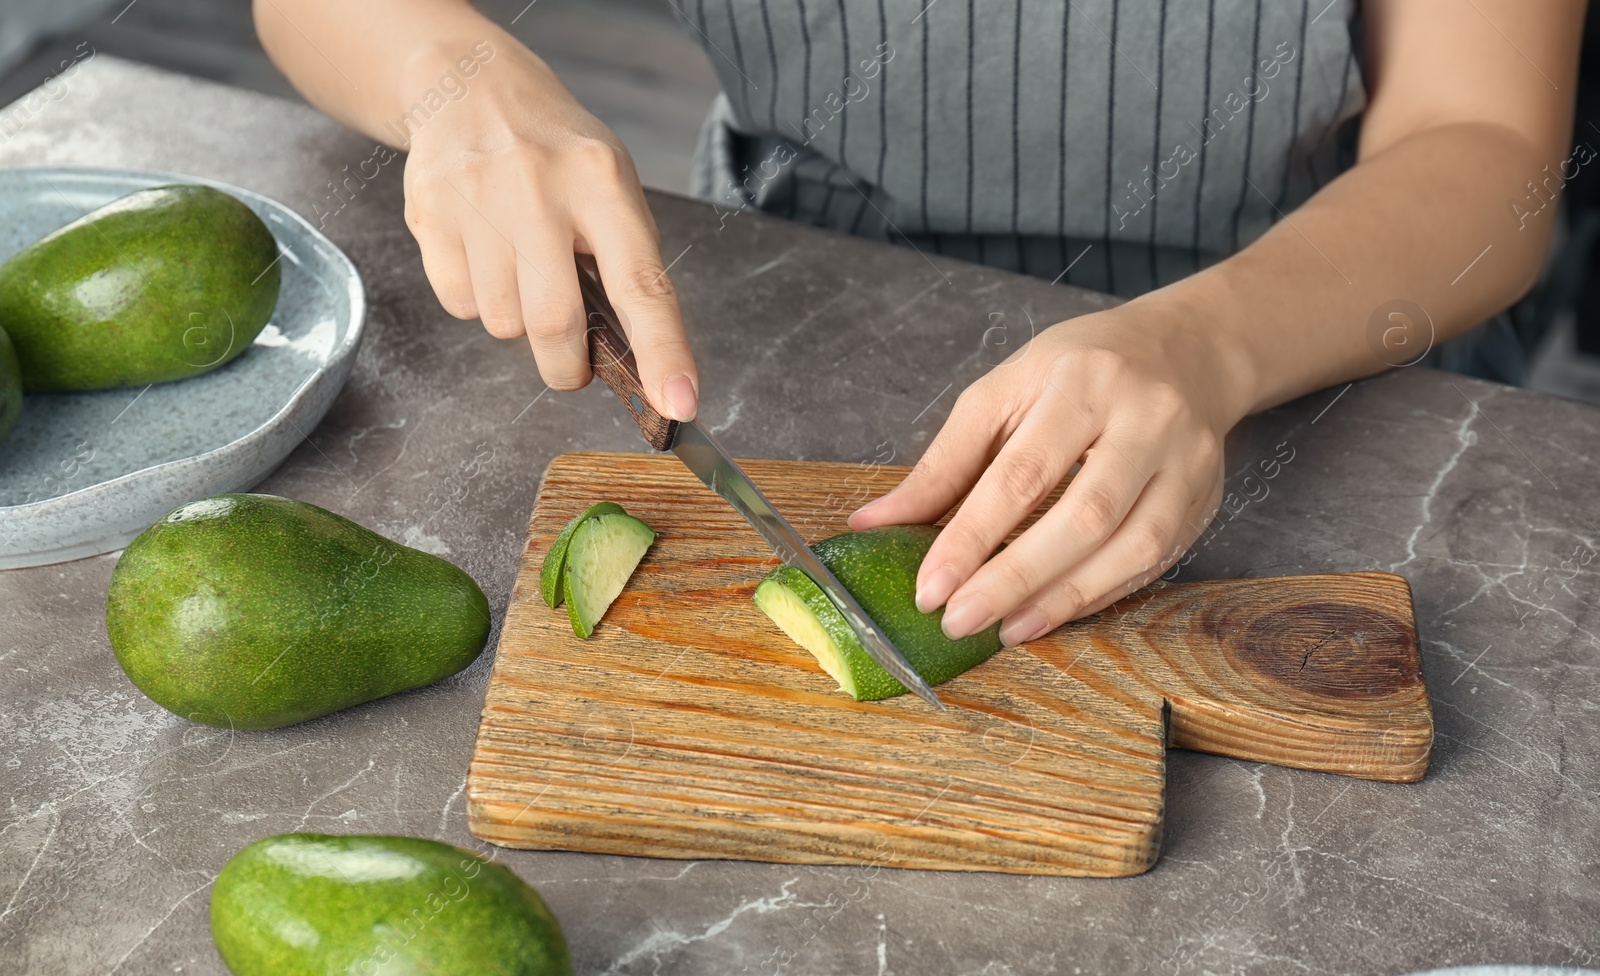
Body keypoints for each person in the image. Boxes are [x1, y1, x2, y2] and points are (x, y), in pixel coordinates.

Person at [257, 0, 1583, 647]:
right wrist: (454, 78)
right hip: (798, 310)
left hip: (1330, 347)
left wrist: (1206, 346)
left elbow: (1490, 151)